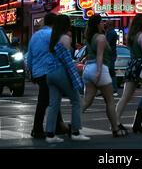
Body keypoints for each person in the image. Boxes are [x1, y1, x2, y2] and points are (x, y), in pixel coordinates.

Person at [45, 15, 89, 143]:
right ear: (65, 25)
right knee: (76, 100)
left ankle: (50, 134)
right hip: (60, 72)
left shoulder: (53, 38)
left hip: (50, 72)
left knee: (54, 104)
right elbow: (67, 61)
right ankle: (75, 131)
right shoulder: (65, 38)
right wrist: (76, 79)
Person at [82, 14, 127, 137]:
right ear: (97, 24)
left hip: (88, 69)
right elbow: (100, 56)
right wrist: (99, 72)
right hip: (100, 68)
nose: (104, 24)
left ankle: (74, 121)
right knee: (110, 101)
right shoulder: (101, 38)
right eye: (102, 22)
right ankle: (115, 129)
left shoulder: (89, 37)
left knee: (87, 101)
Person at [26, 13, 68, 139]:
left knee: (52, 98)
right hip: (49, 71)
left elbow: (29, 56)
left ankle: (58, 126)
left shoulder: (34, 36)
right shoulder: (52, 35)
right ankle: (37, 129)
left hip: (38, 72)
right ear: (55, 24)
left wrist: (31, 72)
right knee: (44, 101)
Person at [105, 21, 119, 95]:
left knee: (110, 70)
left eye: (106, 24)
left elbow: (107, 43)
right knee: (110, 71)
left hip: (110, 54)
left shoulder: (111, 33)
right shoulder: (110, 32)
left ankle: (114, 88)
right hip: (111, 54)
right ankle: (112, 88)